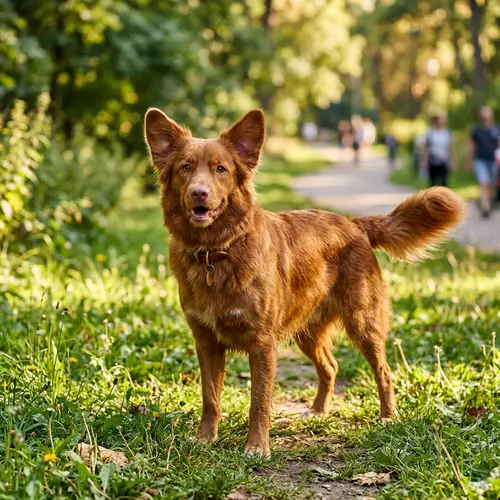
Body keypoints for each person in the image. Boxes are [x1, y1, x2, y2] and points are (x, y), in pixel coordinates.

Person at [469, 106, 500, 218]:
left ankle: (488, 202)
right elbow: (473, 146)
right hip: (480, 160)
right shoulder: (476, 130)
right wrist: (469, 161)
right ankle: (485, 207)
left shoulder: (496, 128)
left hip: (494, 161)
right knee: (483, 183)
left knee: (491, 185)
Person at [420, 114, 453, 187]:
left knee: (444, 182)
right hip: (432, 160)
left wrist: (451, 160)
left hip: (444, 160)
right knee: (432, 182)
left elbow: (450, 147)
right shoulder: (430, 133)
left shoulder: (447, 133)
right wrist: (423, 161)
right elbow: (425, 147)